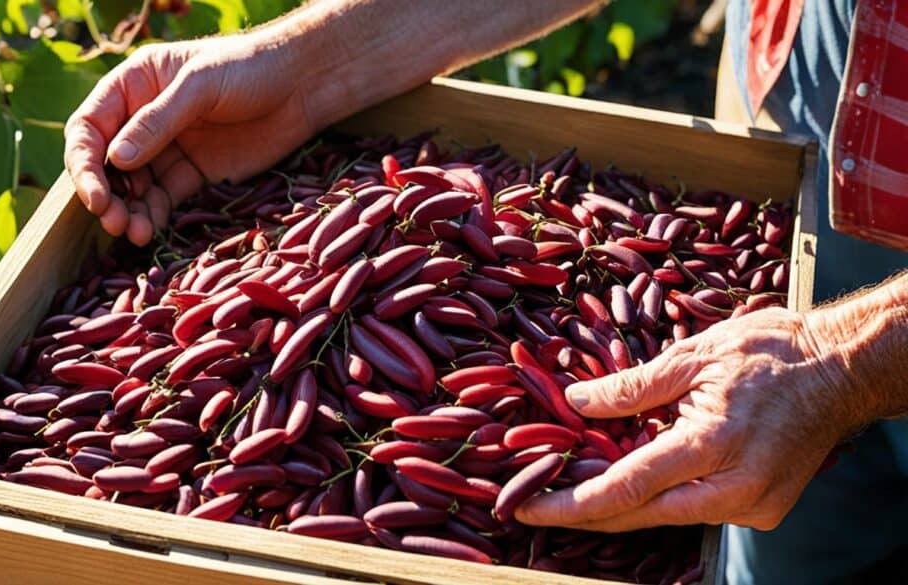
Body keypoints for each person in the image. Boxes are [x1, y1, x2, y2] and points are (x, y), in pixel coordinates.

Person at [64, 1, 908, 582]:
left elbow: (823, 363)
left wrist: (844, 359)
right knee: (781, 515)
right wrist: (310, 66)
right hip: (828, 71)